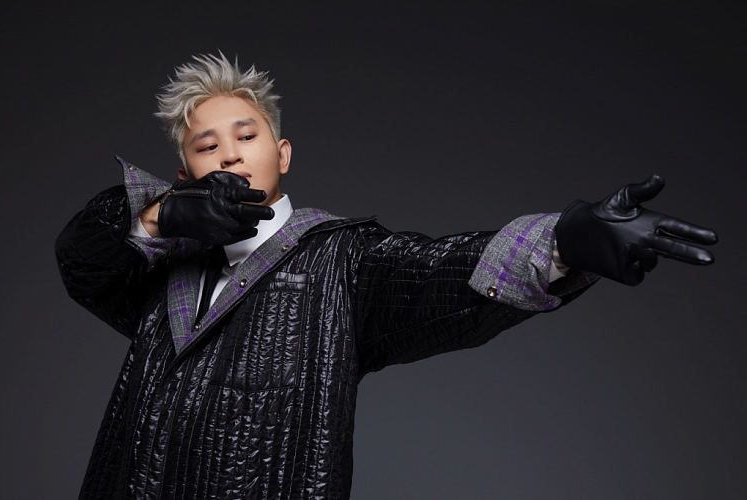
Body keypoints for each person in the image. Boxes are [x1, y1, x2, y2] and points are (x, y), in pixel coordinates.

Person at [55, 53, 717, 500]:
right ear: (185, 174)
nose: (229, 153)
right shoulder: (153, 272)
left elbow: (440, 272)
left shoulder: (343, 260)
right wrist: (160, 217)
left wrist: (566, 241)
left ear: (282, 153)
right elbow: (83, 262)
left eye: (246, 135)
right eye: (207, 146)